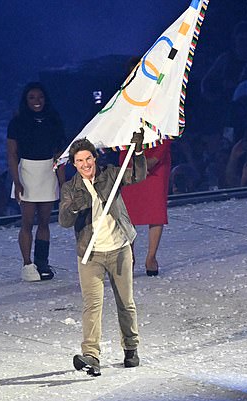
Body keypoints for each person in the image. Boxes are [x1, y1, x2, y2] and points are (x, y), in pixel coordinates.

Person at [58, 131, 146, 377]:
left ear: (94, 158)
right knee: (92, 305)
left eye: (88, 159)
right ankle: (91, 355)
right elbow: (64, 220)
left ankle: (130, 346)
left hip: (118, 249)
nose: (85, 165)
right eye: (79, 161)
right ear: (74, 164)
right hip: (91, 254)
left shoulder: (109, 175)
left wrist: (137, 152)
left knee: (125, 303)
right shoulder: (70, 187)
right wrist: (74, 205)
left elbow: (138, 175)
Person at [7, 82, 66, 281]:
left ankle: (42, 262)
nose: (36, 101)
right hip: (27, 170)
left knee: (44, 221)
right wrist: (17, 180)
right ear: (26, 100)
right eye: (32, 98)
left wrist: (62, 181)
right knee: (27, 221)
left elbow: (59, 152)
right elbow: (12, 154)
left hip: (48, 170)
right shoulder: (17, 123)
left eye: (39, 97)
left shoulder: (53, 119)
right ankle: (27, 263)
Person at [119, 140, 171, 276]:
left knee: (156, 208)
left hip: (158, 159)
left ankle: (151, 257)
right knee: (128, 210)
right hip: (130, 154)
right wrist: (132, 161)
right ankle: (129, 257)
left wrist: (155, 159)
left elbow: (168, 130)